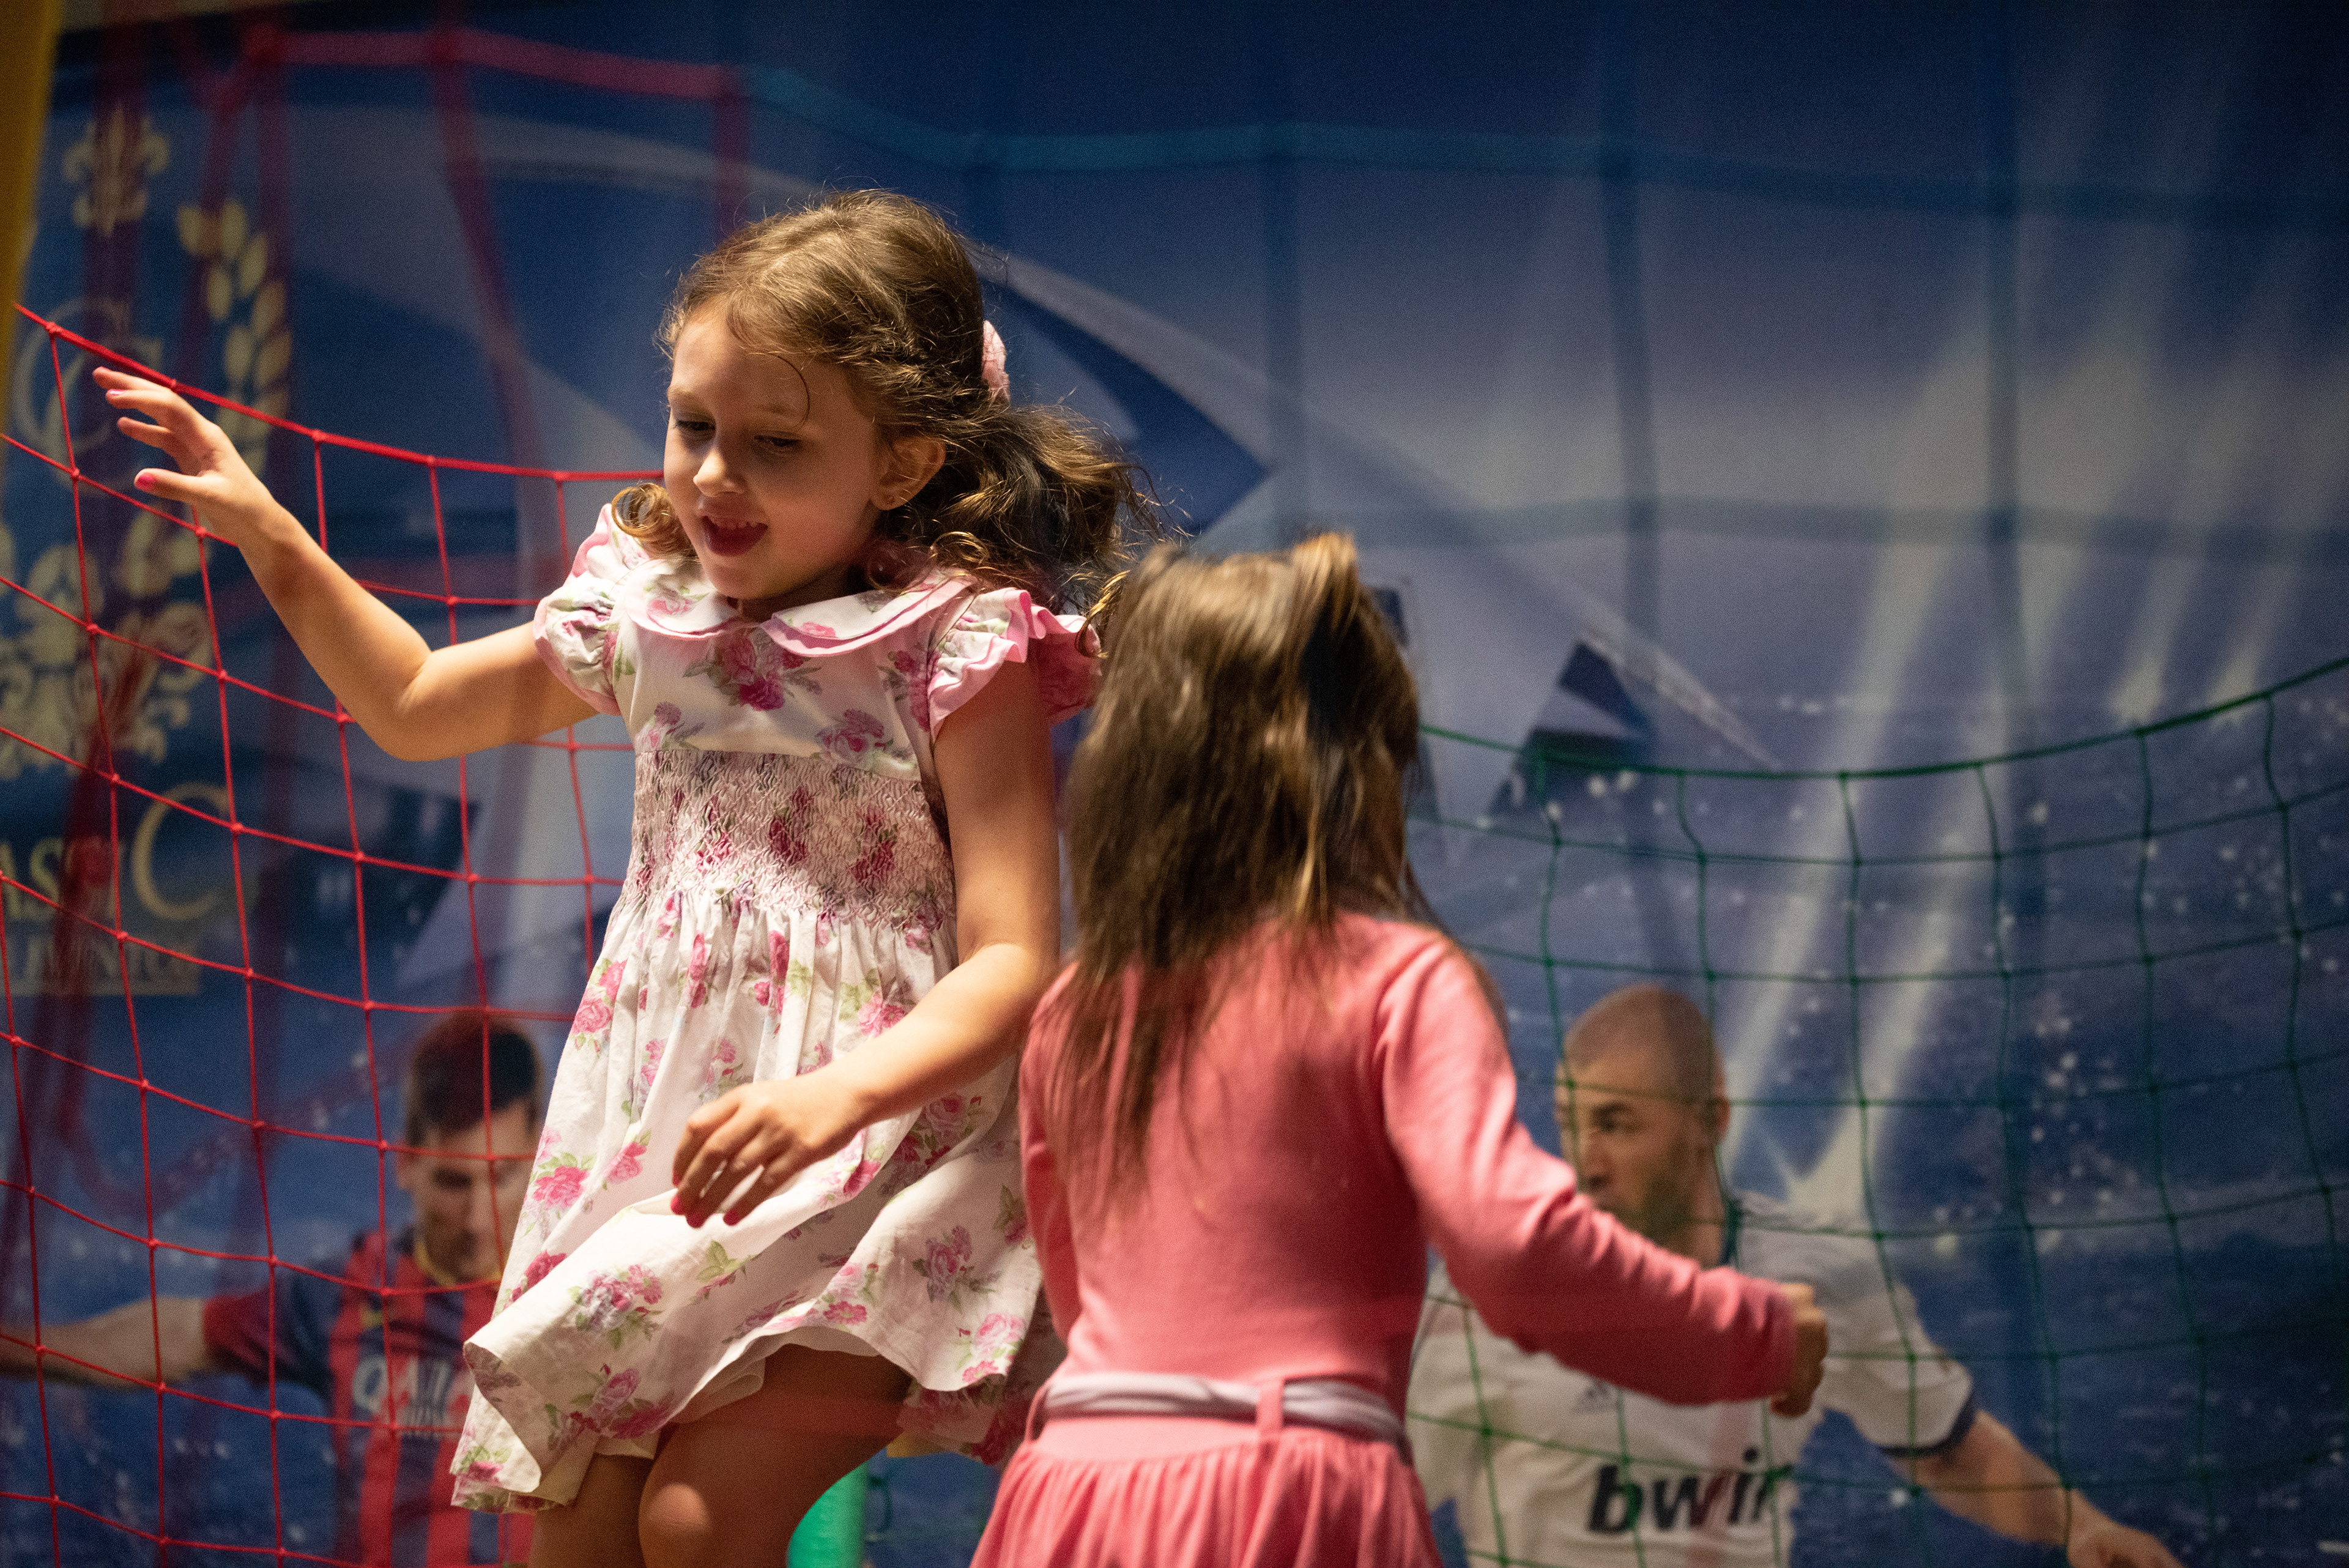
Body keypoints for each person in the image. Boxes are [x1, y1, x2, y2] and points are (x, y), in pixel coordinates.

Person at [97, 187, 1149, 1567]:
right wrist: (271, 537)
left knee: (698, 1520)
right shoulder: (647, 611)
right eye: (694, 426)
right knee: (578, 1533)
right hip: (665, 1138)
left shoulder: (955, 645)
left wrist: (835, 1093)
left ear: (901, 462)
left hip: (871, 1142)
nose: (715, 476)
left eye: (776, 445)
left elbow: (1013, 956)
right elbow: (412, 701)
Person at [972, 537, 1830, 1568]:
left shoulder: (1075, 1011)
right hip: (1288, 1491)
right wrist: (1749, 1332)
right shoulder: (1395, 982)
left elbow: (1077, 1285)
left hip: (1072, 1490)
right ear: (1358, 767)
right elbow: (1515, 1246)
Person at [1409, 984, 2187, 1567]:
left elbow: (1948, 1450)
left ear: (1709, 1122)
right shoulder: (1488, 1299)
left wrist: (2082, 1525)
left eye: (1616, 1124)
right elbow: (1382, 1502)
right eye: (1572, 1125)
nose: (1587, 1161)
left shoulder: (1824, 1271)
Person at [0, 1011, 544, 1566]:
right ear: (406, 1164)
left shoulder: (573, 1296)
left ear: (539, 1158)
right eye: (453, 1181)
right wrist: (14, 1347)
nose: (478, 1218)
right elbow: (180, 1333)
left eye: (502, 1177)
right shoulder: (349, 1291)